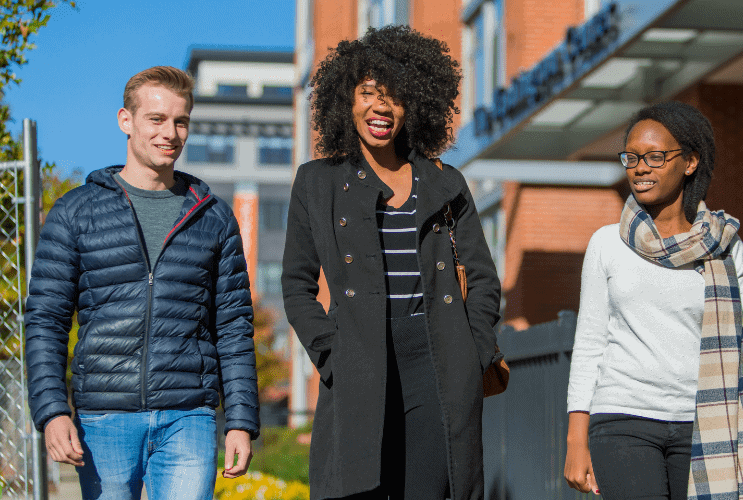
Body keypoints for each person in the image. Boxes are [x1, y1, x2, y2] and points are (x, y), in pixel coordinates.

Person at [282, 25, 502, 500]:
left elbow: (483, 279)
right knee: (359, 487)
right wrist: (329, 352)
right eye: (368, 93)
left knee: (432, 487)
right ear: (347, 99)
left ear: (415, 105)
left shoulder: (445, 183)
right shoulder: (317, 183)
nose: (381, 107)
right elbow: (296, 285)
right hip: (358, 355)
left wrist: (475, 349)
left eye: (395, 97)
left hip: (438, 356)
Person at [25, 66, 259, 500]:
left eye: (181, 120)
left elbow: (233, 327)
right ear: (125, 120)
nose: (170, 132)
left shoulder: (214, 217)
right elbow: (46, 319)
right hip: (103, 418)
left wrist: (241, 421)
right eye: (156, 119)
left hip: (189, 417)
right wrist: (53, 411)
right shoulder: (76, 212)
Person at [564, 101, 743, 500]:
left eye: (654, 157)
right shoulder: (607, 244)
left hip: (705, 420)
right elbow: (589, 344)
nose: (639, 168)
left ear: (689, 163)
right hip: (623, 417)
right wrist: (575, 440)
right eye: (631, 157)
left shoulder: (724, 247)